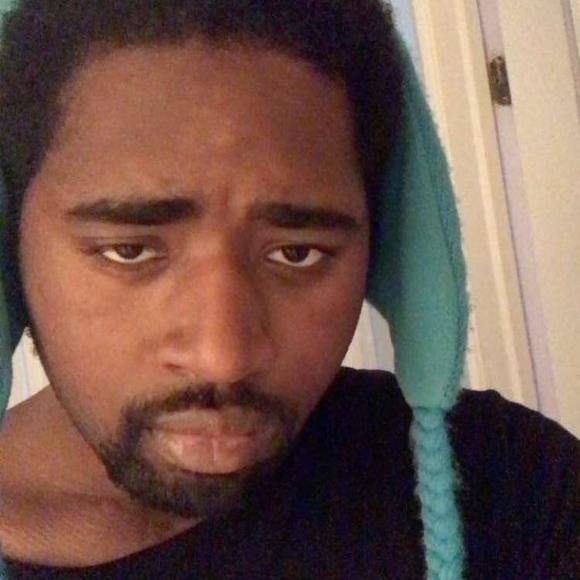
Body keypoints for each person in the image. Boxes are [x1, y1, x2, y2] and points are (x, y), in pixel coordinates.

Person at [0, 1, 577, 578]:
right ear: (12, 244)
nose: (224, 358)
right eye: (130, 251)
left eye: (297, 253)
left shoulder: (513, 485)